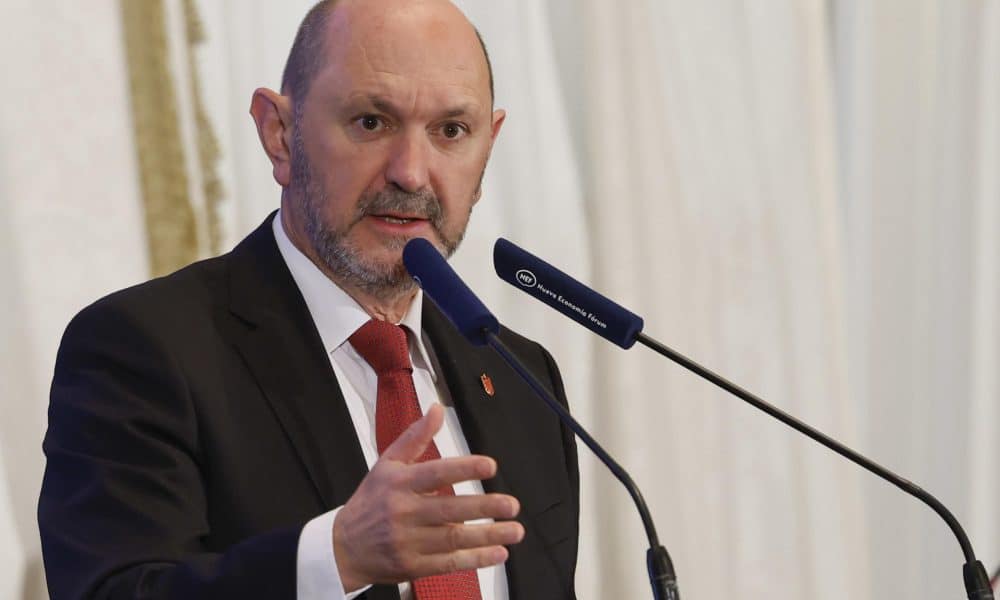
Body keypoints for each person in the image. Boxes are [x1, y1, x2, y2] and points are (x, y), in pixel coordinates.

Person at [37, 0, 579, 599]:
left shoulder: (524, 379)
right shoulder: (144, 350)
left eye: (451, 131)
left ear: (488, 146)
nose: (412, 173)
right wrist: (336, 559)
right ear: (279, 135)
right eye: (372, 121)